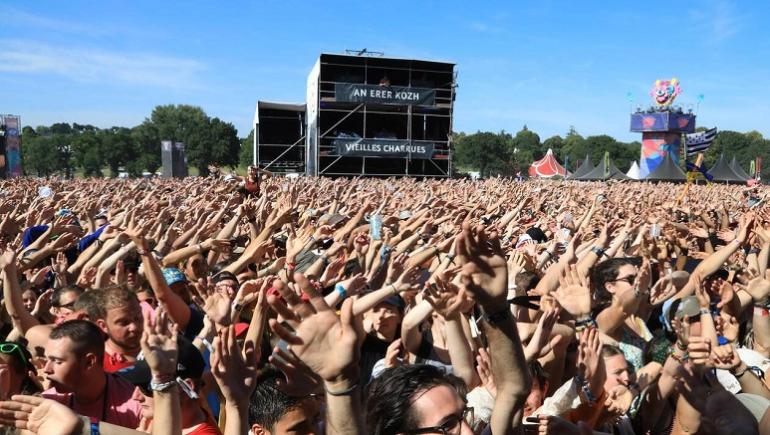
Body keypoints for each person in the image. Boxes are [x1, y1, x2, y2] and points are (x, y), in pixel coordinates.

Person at [41, 320, 142, 429]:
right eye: (46, 359)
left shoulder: (136, 405)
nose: (46, 369)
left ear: (89, 362)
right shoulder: (49, 402)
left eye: (57, 361)